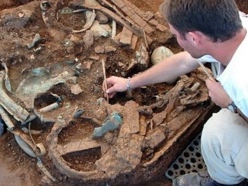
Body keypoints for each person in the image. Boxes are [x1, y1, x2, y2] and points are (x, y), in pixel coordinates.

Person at [103, 0, 248, 185]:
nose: (177, 41)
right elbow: (183, 62)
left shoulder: (243, 86)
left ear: (195, 38)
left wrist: (231, 104)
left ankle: (225, 182)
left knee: (218, 131)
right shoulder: (233, 30)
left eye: (176, 36)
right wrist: (129, 83)